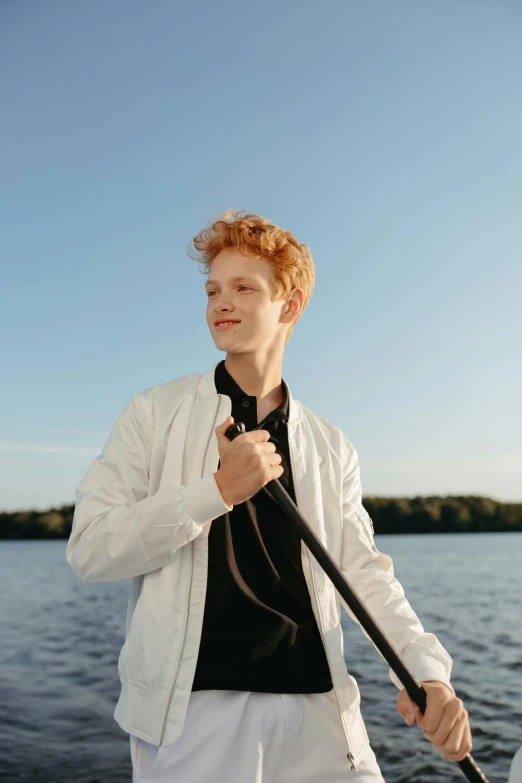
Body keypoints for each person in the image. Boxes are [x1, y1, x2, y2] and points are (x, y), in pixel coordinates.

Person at [66, 209, 472, 782]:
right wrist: (214, 492)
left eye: (242, 288)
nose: (219, 303)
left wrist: (427, 672)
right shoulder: (153, 414)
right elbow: (89, 548)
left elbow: (365, 572)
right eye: (212, 289)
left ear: (291, 305)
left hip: (324, 719)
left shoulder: (332, 446)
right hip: (196, 723)